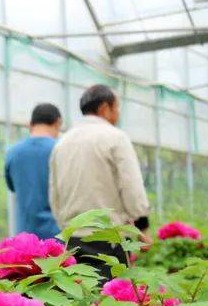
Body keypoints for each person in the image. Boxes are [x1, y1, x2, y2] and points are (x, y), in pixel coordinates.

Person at [49, 84, 151, 280]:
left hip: (73, 239)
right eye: (117, 108)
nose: (118, 114)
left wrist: (67, 226)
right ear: (105, 108)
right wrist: (142, 228)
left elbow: (54, 194)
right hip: (109, 238)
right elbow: (131, 187)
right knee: (112, 300)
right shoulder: (115, 137)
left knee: (80, 300)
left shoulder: (61, 143)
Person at [4, 103, 62, 239]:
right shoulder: (60, 150)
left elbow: (12, 186)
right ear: (58, 123)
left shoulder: (13, 152)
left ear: (30, 124)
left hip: (25, 236)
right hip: (56, 236)